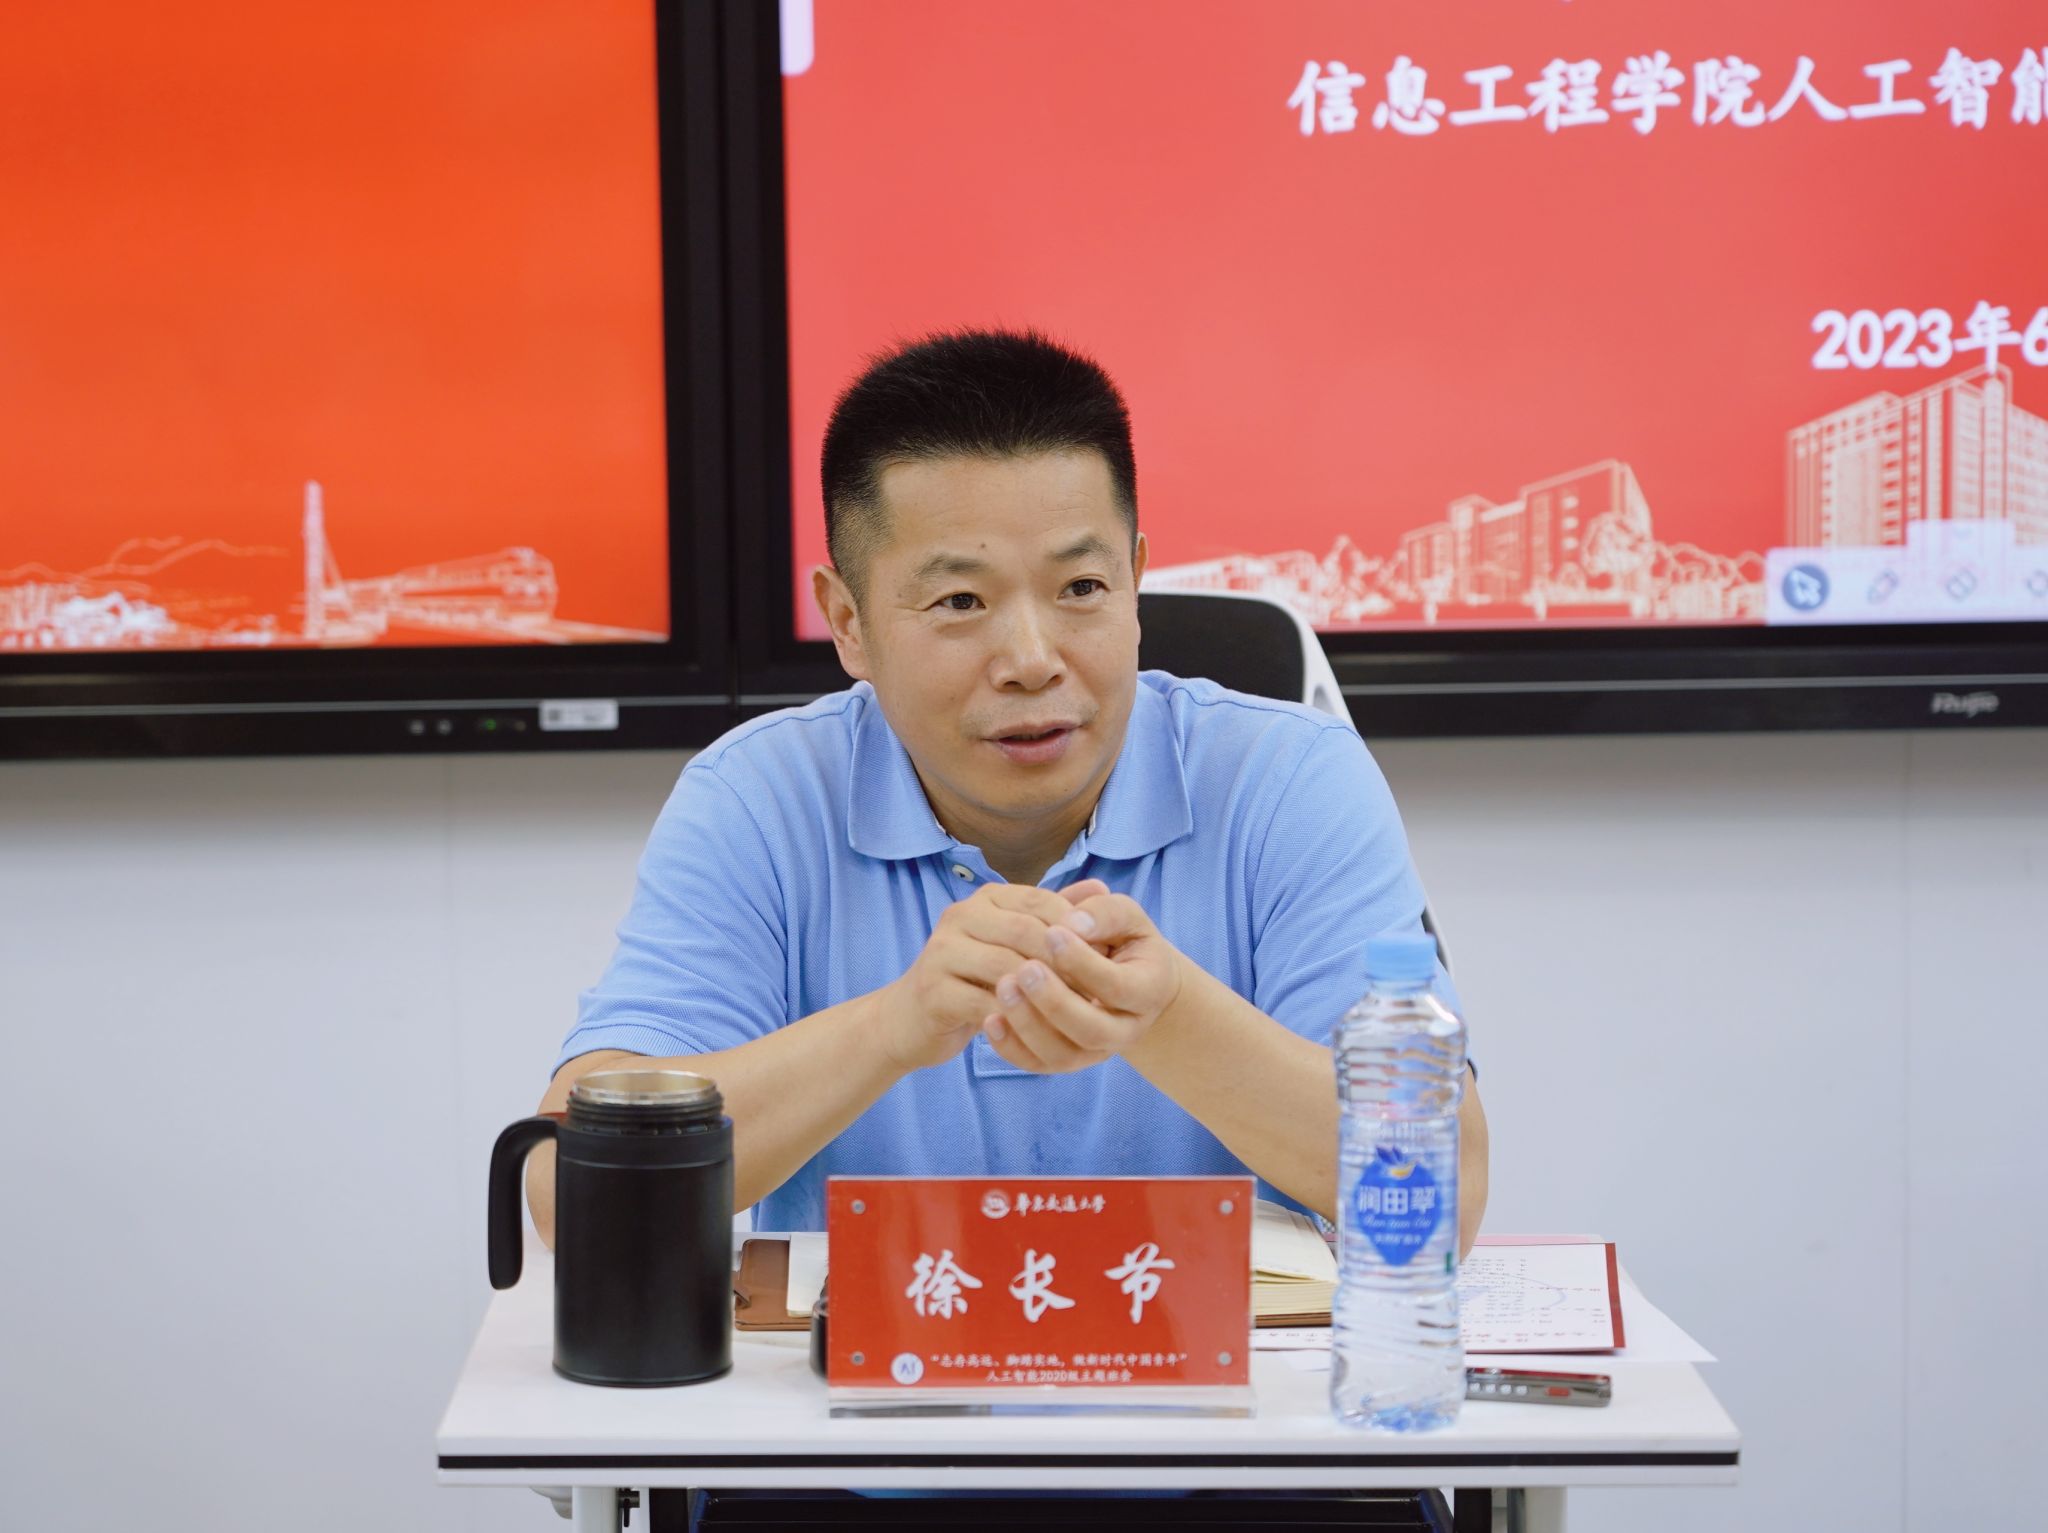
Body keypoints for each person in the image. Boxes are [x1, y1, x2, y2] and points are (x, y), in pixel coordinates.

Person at [527, 328, 1488, 1248]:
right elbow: (568, 1197)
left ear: (1136, 579)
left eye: (1081, 589)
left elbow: (1447, 1192)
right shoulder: (759, 799)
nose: (1032, 659)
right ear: (849, 621)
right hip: (880, 1366)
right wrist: (894, 1025)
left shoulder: (1287, 780)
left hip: (1210, 1369)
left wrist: (1166, 1016)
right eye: (961, 601)